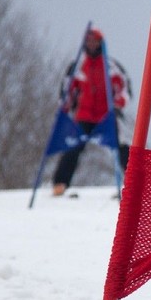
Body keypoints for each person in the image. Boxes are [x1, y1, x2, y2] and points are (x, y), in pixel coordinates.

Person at [51, 28, 130, 196]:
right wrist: (65, 106)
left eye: (95, 42)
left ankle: (134, 183)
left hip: (106, 116)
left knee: (121, 147)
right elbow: (67, 91)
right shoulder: (78, 67)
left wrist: (117, 104)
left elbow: (125, 91)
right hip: (84, 115)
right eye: (89, 42)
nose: (92, 45)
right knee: (73, 147)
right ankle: (60, 183)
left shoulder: (112, 67)